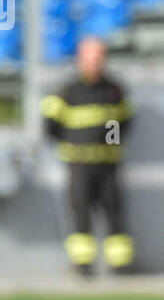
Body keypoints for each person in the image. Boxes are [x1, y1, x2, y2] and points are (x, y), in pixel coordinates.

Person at [42, 36, 135, 275]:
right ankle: (82, 264)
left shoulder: (115, 89)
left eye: (99, 57)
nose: (95, 62)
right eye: (91, 57)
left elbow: (125, 121)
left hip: (108, 162)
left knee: (114, 212)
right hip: (79, 163)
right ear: (80, 59)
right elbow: (51, 125)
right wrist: (73, 145)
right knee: (80, 213)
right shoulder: (67, 91)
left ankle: (120, 263)